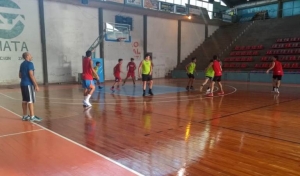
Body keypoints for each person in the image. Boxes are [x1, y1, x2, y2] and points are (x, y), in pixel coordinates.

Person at [19, 52, 41, 122]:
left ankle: (25, 116)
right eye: (30, 55)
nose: (31, 56)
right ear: (27, 56)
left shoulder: (22, 64)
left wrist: (25, 77)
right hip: (28, 84)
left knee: (24, 100)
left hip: (22, 84)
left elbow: (20, 75)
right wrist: (36, 85)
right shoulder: (30, 64)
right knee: (30, 101)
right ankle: (32, 116)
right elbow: (31, 75)